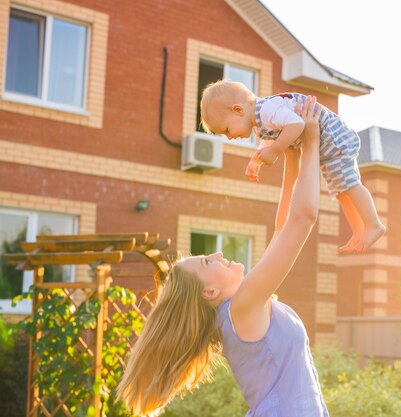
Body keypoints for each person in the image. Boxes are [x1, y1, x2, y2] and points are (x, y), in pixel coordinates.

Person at [117, 96, 329, 417]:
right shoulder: (240, 309)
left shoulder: (240, 310)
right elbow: (304, 217)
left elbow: (284, 224)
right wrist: (311, 142)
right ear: (210, 292)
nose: (217, 254)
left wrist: (290, 152)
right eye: (206, 262)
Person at [200, 80, 386, 253]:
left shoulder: (267, 109)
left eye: (226, 130)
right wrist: (256, 160)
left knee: (351, 185)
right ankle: (359, 230)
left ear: (238, 110)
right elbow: (270, 139)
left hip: (334, 138)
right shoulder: (258, 124)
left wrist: (275, 150)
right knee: (342, 191)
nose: (230, 137)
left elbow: (296, 124)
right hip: (326, 147)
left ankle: (374, 224)